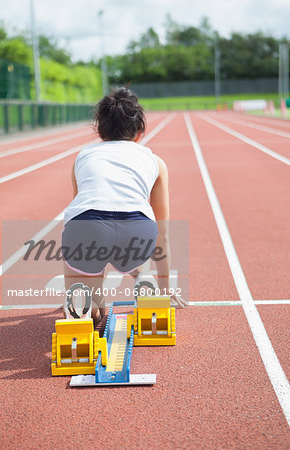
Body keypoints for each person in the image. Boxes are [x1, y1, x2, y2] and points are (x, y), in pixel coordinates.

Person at [62, 87, 186, 326]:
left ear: (100, 131)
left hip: (86, 228)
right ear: (139, 132)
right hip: (136, 230)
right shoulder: (155, 161)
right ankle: (143, 279)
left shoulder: (83, 156)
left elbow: (80, 209)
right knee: (131, 252)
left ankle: (84, 303)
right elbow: (163, 235)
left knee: (90, 294)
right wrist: (165, 290)